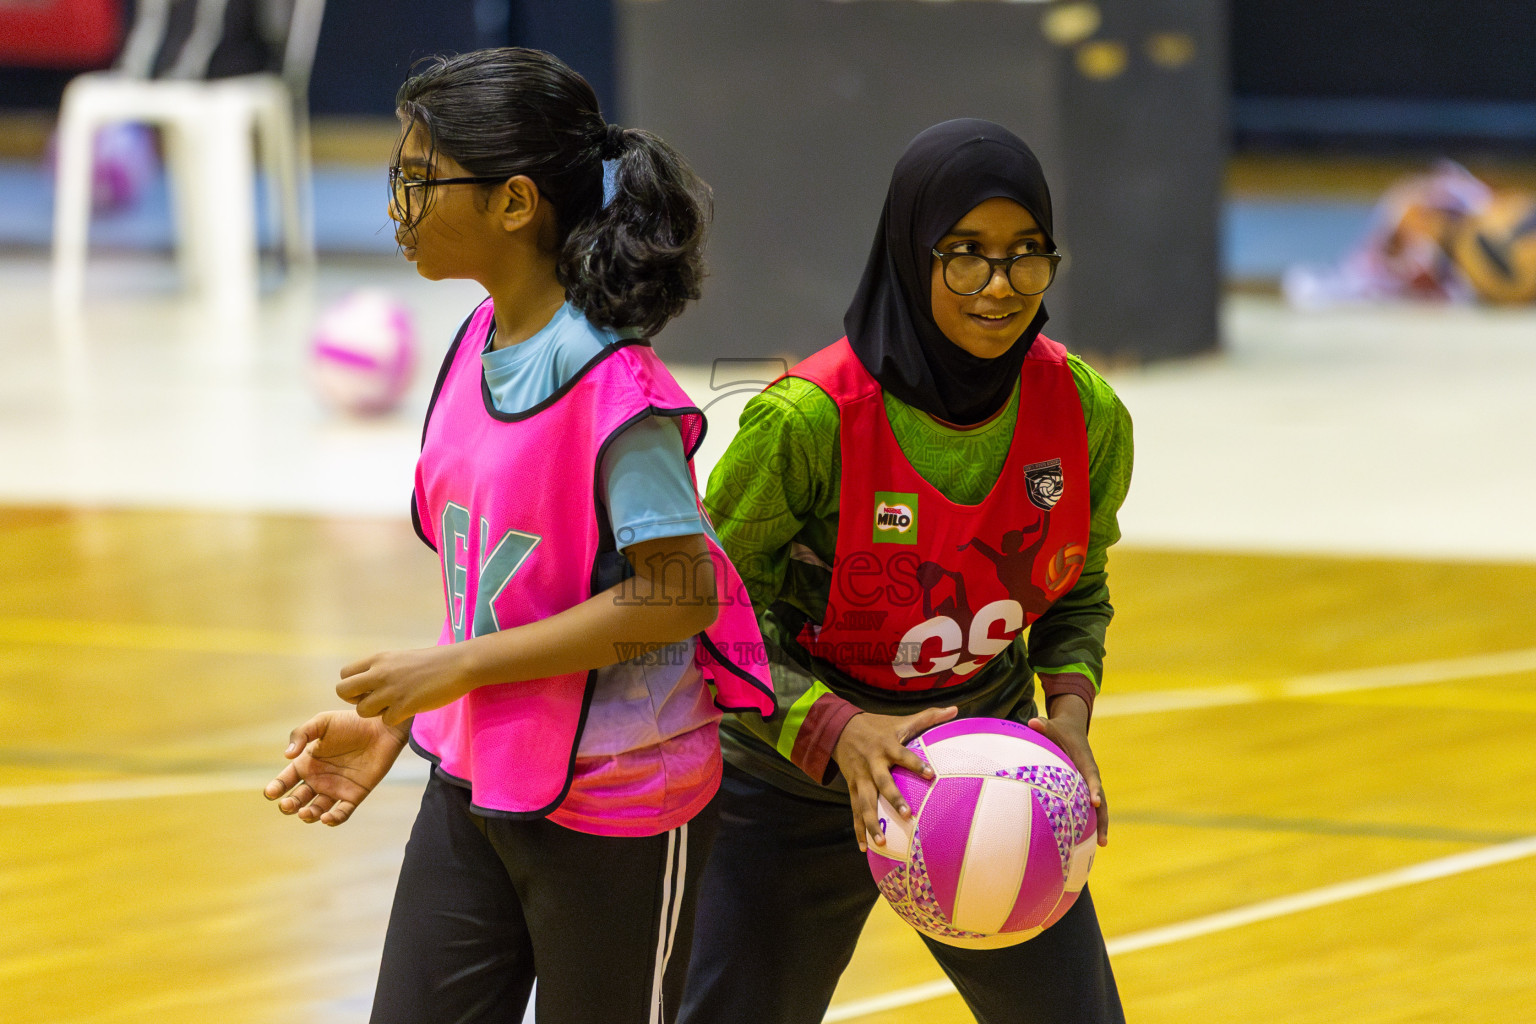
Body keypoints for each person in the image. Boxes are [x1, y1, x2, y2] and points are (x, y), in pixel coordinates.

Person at [261, 48, 773, 1024]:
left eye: (422, 177)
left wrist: (451, 670)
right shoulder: (474, 342)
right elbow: (503, 584)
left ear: (515, 203)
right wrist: (402, 717)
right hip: (479, 773)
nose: (399, 202)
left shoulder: (616, 390)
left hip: (622, 797)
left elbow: (680, 593)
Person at [679, 119, 1133, 1024]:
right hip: (790, 783)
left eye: (1027, 254)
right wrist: (839, 730)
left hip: (988, 769)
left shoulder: (1084, 410)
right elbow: (703, 610)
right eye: (965, 255)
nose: (1000, 286)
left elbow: (1077, 586)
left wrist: (1069, 715)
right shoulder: (806, 421)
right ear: (910, 253)